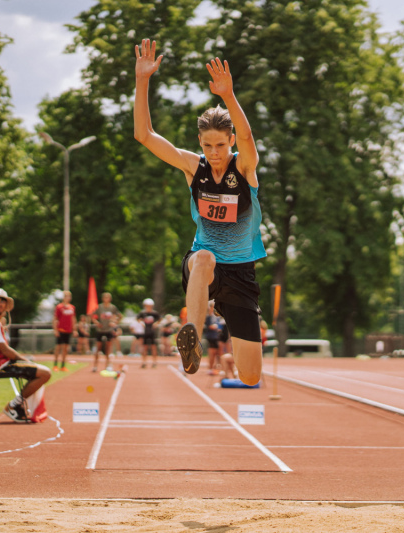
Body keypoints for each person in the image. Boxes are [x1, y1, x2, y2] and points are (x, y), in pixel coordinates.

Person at [134, 39, 265, 385]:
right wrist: (143, 79)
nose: (214, 152)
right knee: (204, 257)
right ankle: (189, 338)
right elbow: (144, 135)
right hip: (204, 268)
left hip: (241, 273)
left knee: (250, 376)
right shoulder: (194, 168)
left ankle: (222, 333)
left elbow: (250, 137)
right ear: (201, 144)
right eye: (207, 145)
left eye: (220, 145)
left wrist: (229, 96)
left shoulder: (245, 169)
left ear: (231, 141)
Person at [0, 288, 51, 422]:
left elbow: (4, 350)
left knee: (38, 370)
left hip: (0, 364)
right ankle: (14, 406)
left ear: (6, 305)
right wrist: (25, 360)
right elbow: (4, 350)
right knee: (45, 373)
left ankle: (17, 405)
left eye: (2, 300)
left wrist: (26, 361)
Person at [92, 292, 122, 372]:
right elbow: (92, 316)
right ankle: (95, 366)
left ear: (110, 299)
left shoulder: (112, 308)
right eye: (105, 297)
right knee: (98, 348)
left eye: (108, 297)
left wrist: (114, 323)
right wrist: (97, 323)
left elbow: (120, 316)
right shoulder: (99, 307)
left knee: (108, 349)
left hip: (108, 330)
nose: (106, 299)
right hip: (100, 330)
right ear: (102, 299)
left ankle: (107, 366)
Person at [53, 290, 75, 372]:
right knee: (58, 347)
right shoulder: (59, 307)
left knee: (65, 348)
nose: (68, 298)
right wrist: (55, 330)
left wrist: (74, 329)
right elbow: (55, 319)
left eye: (69, 296)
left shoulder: (72, 307)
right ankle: (55, 365)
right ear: (64, 297)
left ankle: (63, 365)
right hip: (60, 329)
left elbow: (73, 319)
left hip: (68, 330)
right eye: (67, 296)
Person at [137, 298, 162, 368]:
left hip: (152, 332)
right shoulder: (143, 313)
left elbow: (160, 319)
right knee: (144, 347)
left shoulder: (154, 313)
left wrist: (156, 324)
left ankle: (154, 362)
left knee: (153, 347)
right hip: (145, 332)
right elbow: (138, 319)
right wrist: (141, 323)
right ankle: (144, 362)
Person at [204, 302, 221, 375]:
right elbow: (209, 326)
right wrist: (216, 327)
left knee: (218, 353)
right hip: (211, 337)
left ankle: (216, 367)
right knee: (212, 352)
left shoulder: (217, 317)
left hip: (217, 336)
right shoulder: (208, 316)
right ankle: (210, 368)